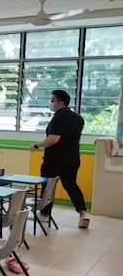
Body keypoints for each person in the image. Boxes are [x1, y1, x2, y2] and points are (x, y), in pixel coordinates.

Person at [31, 89, 89, 228]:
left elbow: (53, 139)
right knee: (71, 185)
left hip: (54, 160)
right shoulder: (78, 118)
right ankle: (83, 213)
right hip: (72, 159)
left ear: (61, 102)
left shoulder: (58, 117)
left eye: (52, 101)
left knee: (48, 186)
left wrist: (37, 145)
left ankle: (44, 214)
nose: (51, 103)